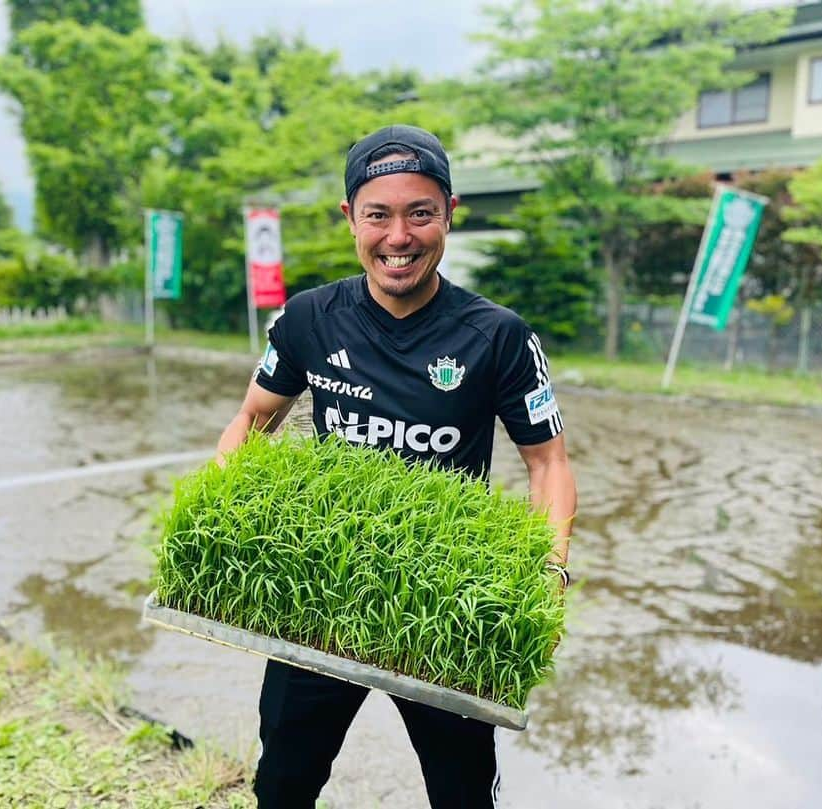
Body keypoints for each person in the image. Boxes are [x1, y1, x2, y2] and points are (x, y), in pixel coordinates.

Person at [215, 124, 577, 808]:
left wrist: (551, 569)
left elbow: (548, 462)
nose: (399, 236)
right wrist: (221, 517)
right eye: (378, 214)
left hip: (445, 604)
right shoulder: (308, 319)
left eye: (420, 213)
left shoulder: (498, 336)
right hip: (320, 593)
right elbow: (252, 420)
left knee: (463, 792)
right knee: (284, 780)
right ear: (350, 216)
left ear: (449, 214)